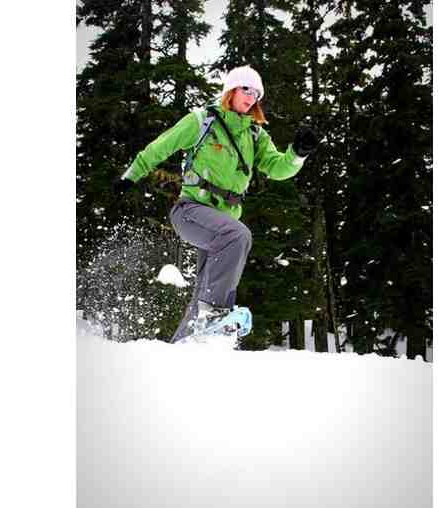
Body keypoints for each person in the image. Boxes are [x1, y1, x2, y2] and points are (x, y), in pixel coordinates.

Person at [113, 65, 319, 342]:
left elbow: (278, 167)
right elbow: (160, 147)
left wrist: (298, 154)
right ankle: (214, 314)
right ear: (231, 90)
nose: (251, 97)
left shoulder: (254, 135)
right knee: (238, 236)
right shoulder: (202, 121)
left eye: (256, 94)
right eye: (246, 89)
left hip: (221, 225)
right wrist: (130, 176)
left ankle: (184, 344)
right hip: (190, 211)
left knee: (205, 289)